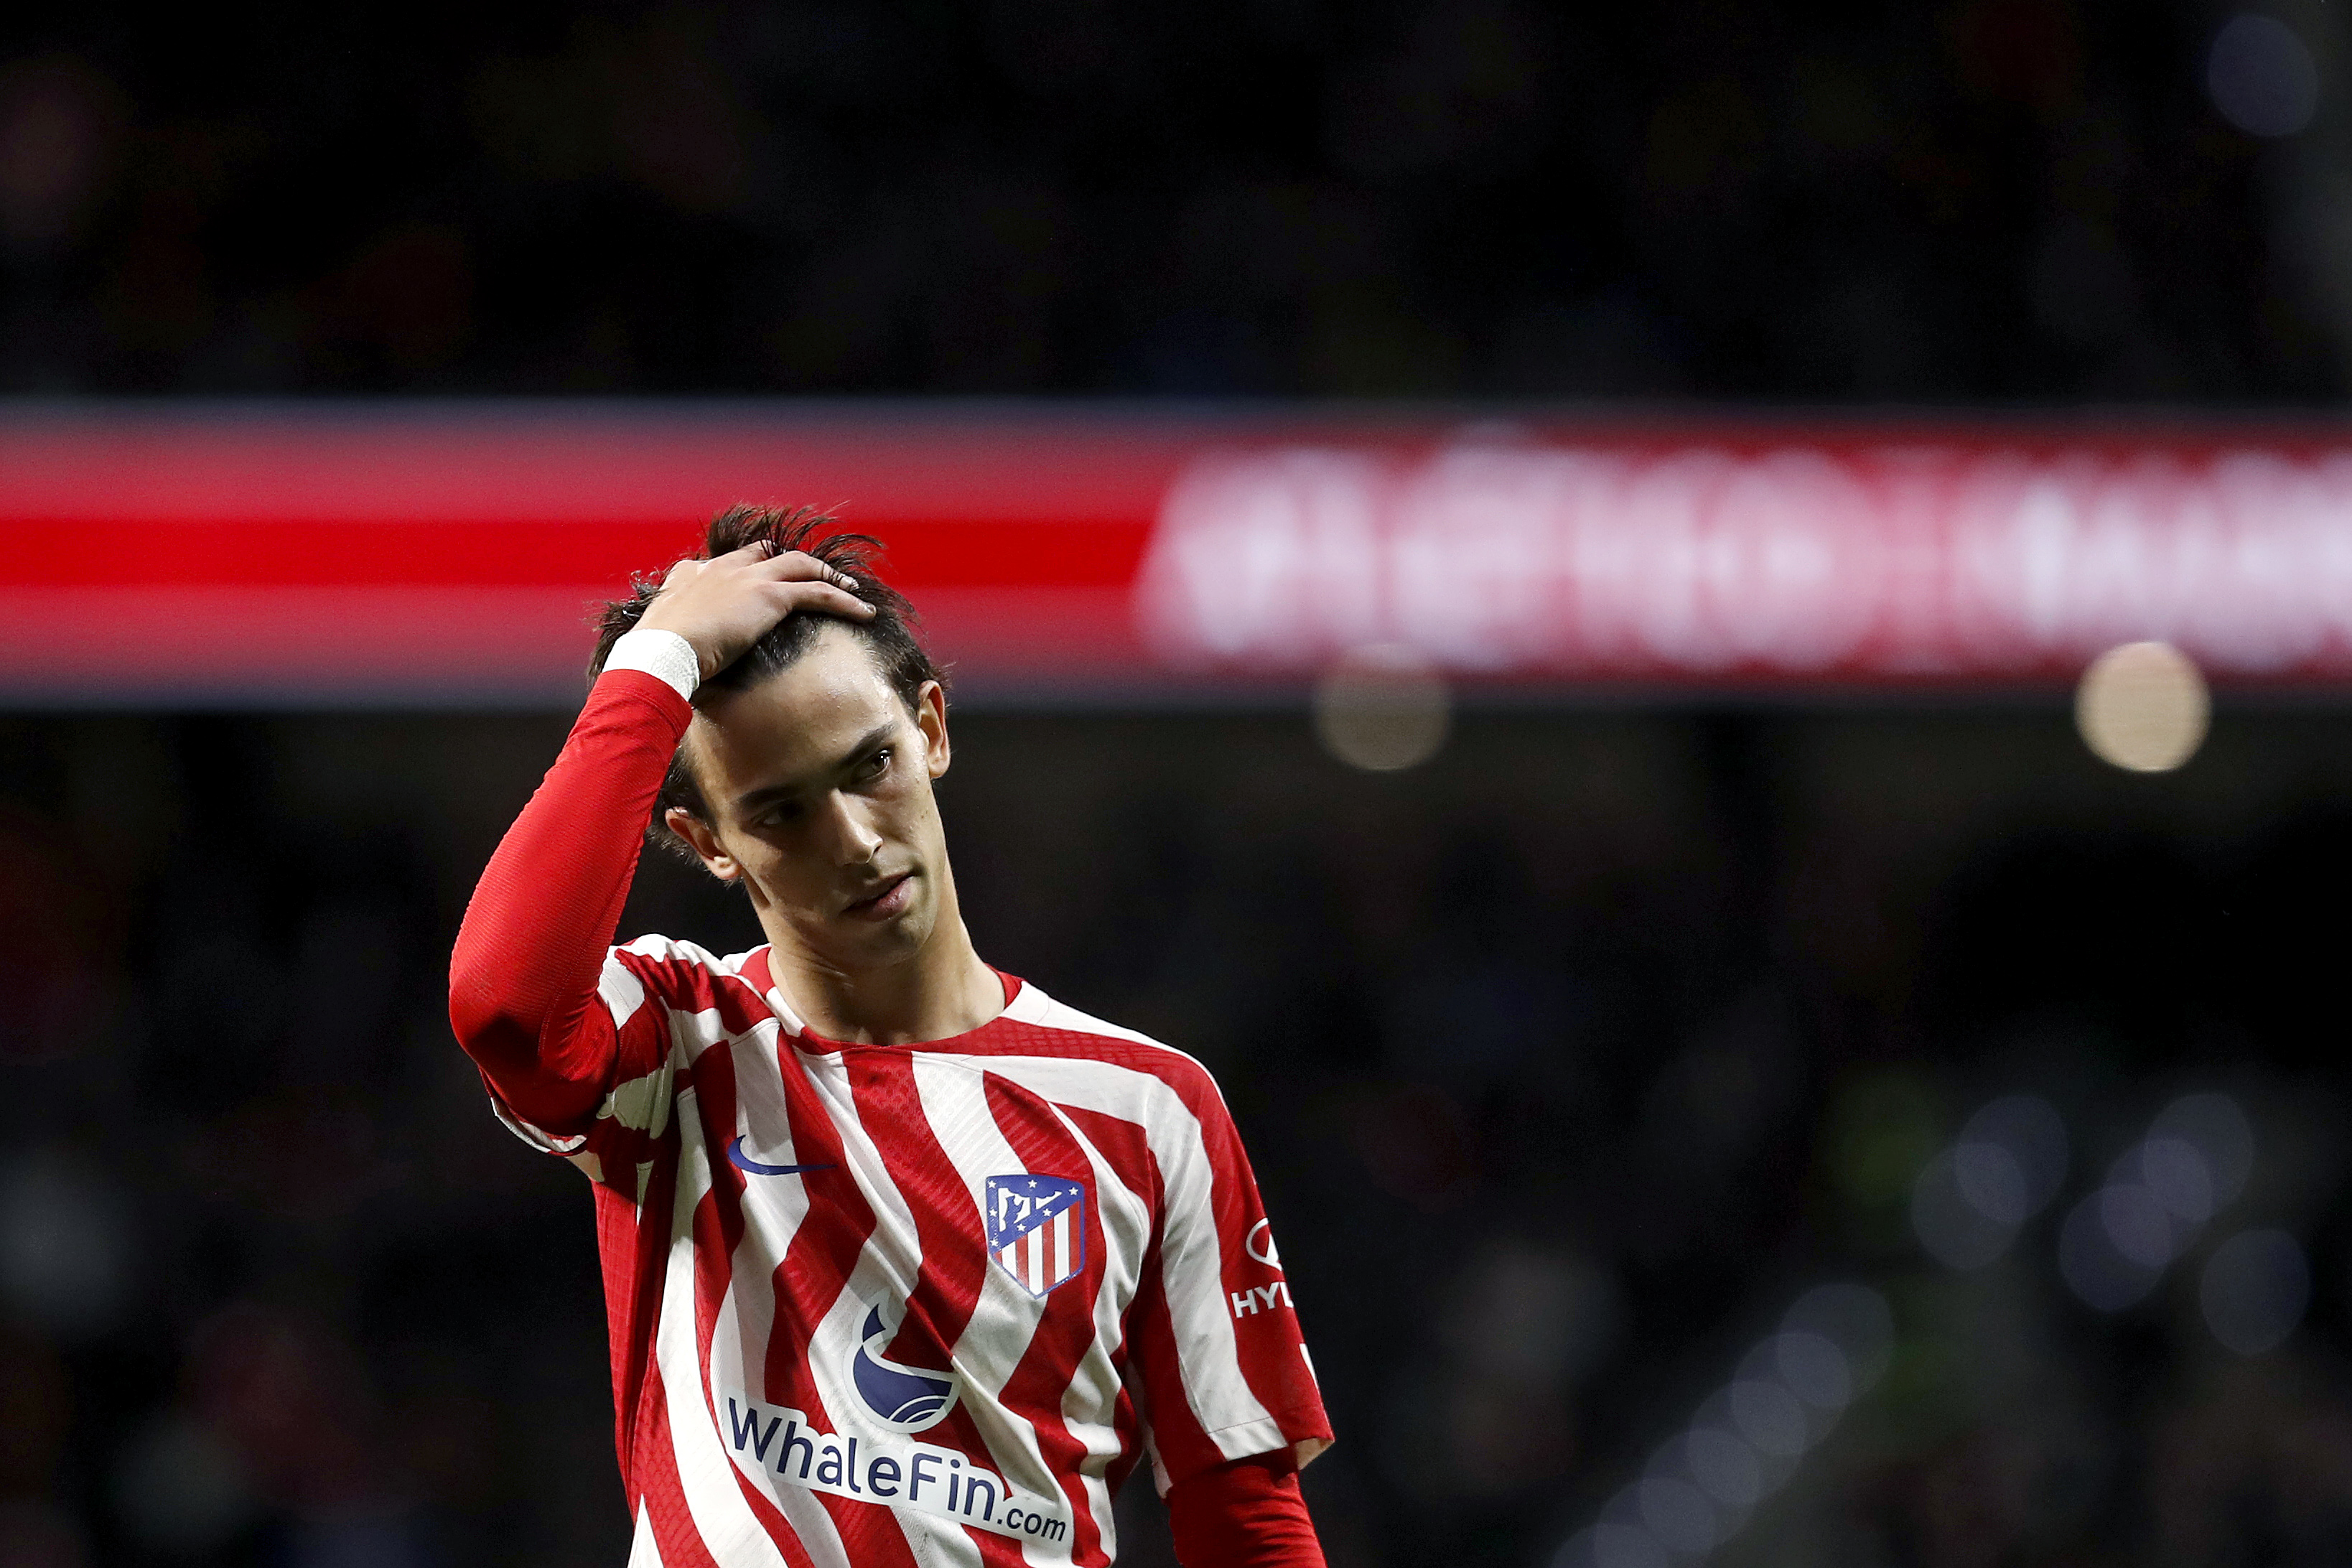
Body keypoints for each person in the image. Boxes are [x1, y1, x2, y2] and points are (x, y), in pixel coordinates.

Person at [449, 505, 1332, 1568]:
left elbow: (1246, 1515)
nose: (856, 841)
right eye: (779, 814)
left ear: (933, 728)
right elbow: (505, 1004)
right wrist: (655, 661)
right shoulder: (681, 1041)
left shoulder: (1148, 1106)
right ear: (705, 842)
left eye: (869, 766)